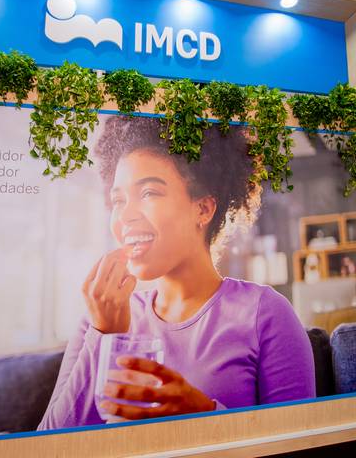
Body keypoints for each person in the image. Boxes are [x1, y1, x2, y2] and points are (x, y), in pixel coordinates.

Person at [38, 116, 315, 429]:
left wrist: (203, 414)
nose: (125, 215)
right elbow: (49, 444)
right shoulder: (101, 319)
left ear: (203, 209)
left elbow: (297, 441)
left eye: (149, 193)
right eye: (118, 200)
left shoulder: (266, 314)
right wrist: (105, 337)